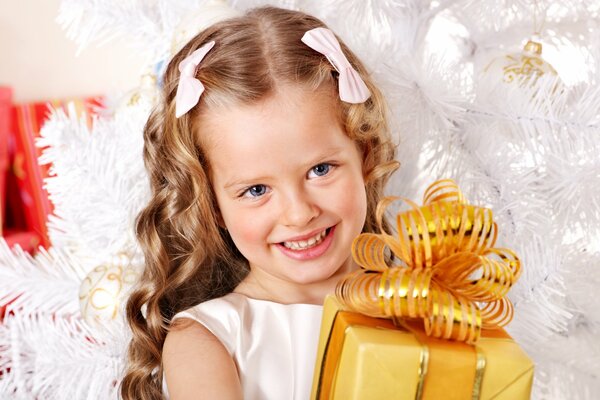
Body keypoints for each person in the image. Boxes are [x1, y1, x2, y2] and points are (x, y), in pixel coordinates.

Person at [120, 5, 398, 400]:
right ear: (213, 206)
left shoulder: (426, 311)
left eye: (320, 169)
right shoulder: (207, 343)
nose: (299, 213)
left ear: (365, 155)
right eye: (256, 190)